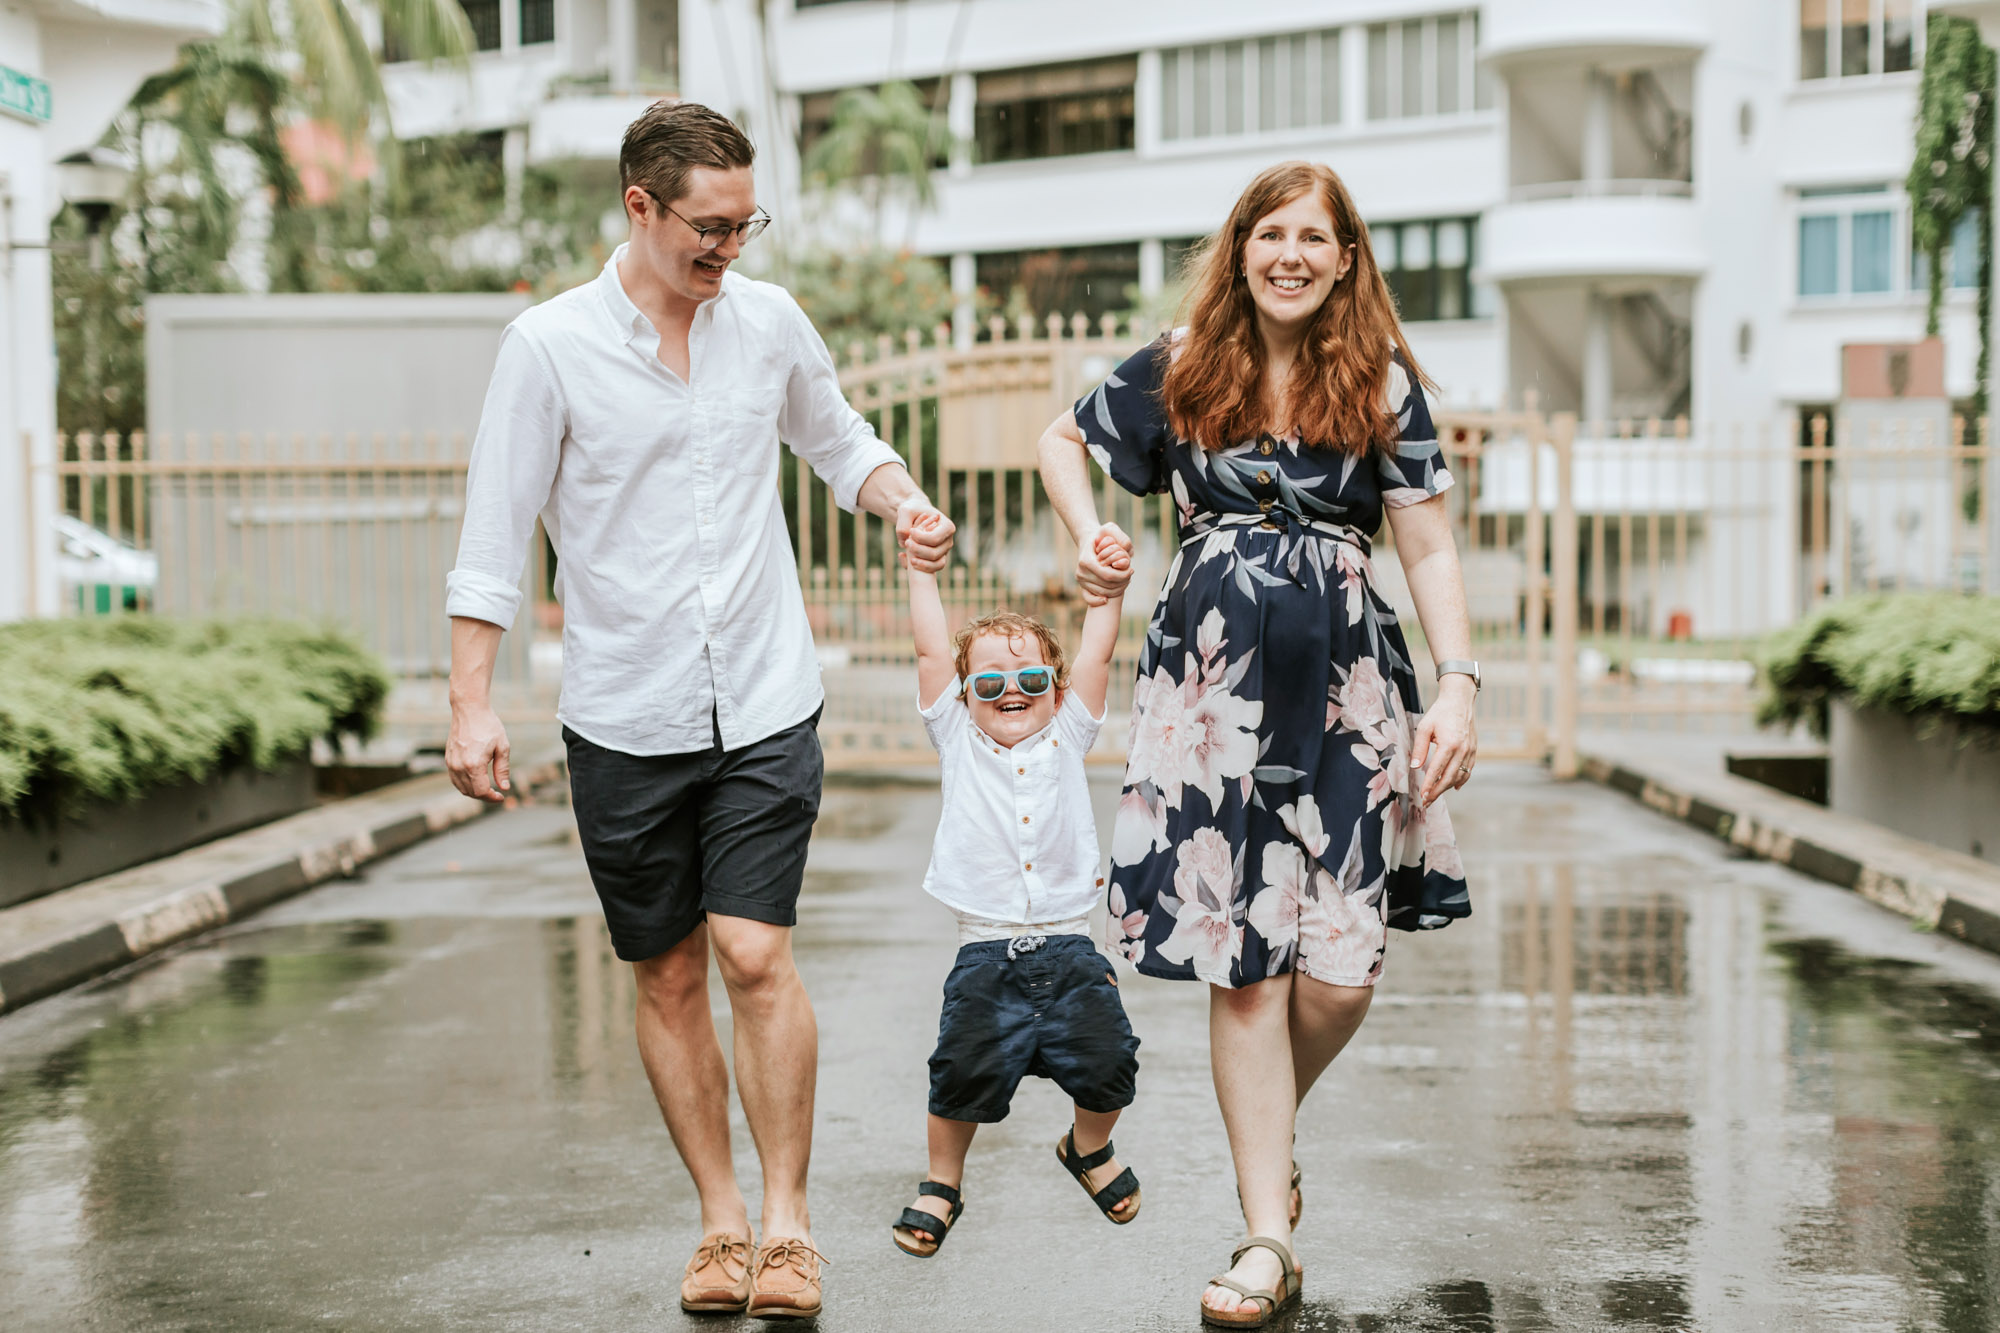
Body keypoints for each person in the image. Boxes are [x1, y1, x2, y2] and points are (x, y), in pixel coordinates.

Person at [442, 100, 955, 1320]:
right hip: (623, 710)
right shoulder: (547, 348)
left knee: (753, 953)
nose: (728, 247)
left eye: (743, 224)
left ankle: (788, 1225)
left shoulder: (766, 322)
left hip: (765, 698)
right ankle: (720, 1219)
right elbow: (493, 533)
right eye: (707, 227)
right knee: (668, 973)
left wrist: (900, 500)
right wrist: (471, 703)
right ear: (640, 206)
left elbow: (838, 439)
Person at [1037, 160, 1477, 1328]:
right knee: (1244, 973)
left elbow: (1427, 545)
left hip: (1346, 696)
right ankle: (1264, 1234)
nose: (1289, 254)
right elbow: (1059, 439)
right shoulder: (1184, 362)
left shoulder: (1378, 378)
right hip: (1209, 694)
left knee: (1337, 976)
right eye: (1268, 233)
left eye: (1311, 237)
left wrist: (1458, 684)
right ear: (1240, 248)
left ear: (1344, 258)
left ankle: (1266, 1143)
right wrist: (1088, 534)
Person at [889, 522, 1143, 1258]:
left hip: (1070, 943)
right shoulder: (956, 739)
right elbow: (930, 651)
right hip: (985, 949)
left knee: (1109, 1062)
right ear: (965, 695)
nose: (1011, 690)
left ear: (1056, 693)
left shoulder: (1068, 734)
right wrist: (920, 572)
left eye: (1030, 679)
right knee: (959, 1073)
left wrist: (1108, 593)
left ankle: (1089, 1148)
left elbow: (1097, 652)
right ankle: (943, 1180)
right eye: (989, 681)